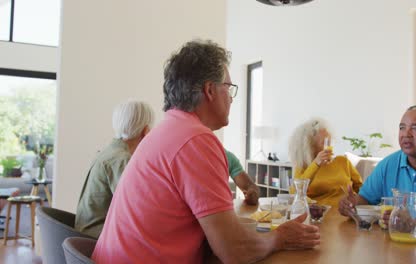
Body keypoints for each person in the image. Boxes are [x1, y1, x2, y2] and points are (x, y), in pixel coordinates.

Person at [92, 40, 320, 264]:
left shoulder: (165, 131)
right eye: (228, 88)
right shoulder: (196, 139)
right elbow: (234, 251)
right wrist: (279, 237)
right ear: (210, 90)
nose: (231, 98)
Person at [75, 100, 154, 238]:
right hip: (97, 238)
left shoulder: (108, 151)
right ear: (146, 131)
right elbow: (136, 209)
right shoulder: (121, 159)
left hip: (86, 233)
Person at [289, 118, 363, 207]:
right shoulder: (303, 166)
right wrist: (316, 164)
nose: (328, 147)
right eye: (323, 143)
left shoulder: (342, 161)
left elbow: (361, 189)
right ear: (309, 147)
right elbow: (296, 193)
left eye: (329, 142)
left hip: (347, 212)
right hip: (320, 215)